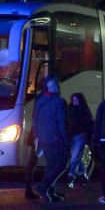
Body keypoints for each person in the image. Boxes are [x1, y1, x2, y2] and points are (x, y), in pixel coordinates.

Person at [31, 74, 68, 203]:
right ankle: (43, 187)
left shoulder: (40, 100)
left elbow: (35, 119)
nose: (57, 87)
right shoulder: (59, 101)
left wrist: (37, 135)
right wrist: (65, 138)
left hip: (44, 138)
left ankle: (50, 192)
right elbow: (61, 122)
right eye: (55, 85)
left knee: (51, 165)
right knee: (62, 164)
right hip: (56, 138)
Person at [66, 92, 93, 188]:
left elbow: (89, 123)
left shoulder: (83, 111)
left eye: (76, 100)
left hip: (81, 136)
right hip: (72, 136)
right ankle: (82, 175)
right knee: (75, 157)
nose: (74, 102)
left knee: (74, 158)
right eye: (73, 100)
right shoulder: (70, 110)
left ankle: (71, 176)